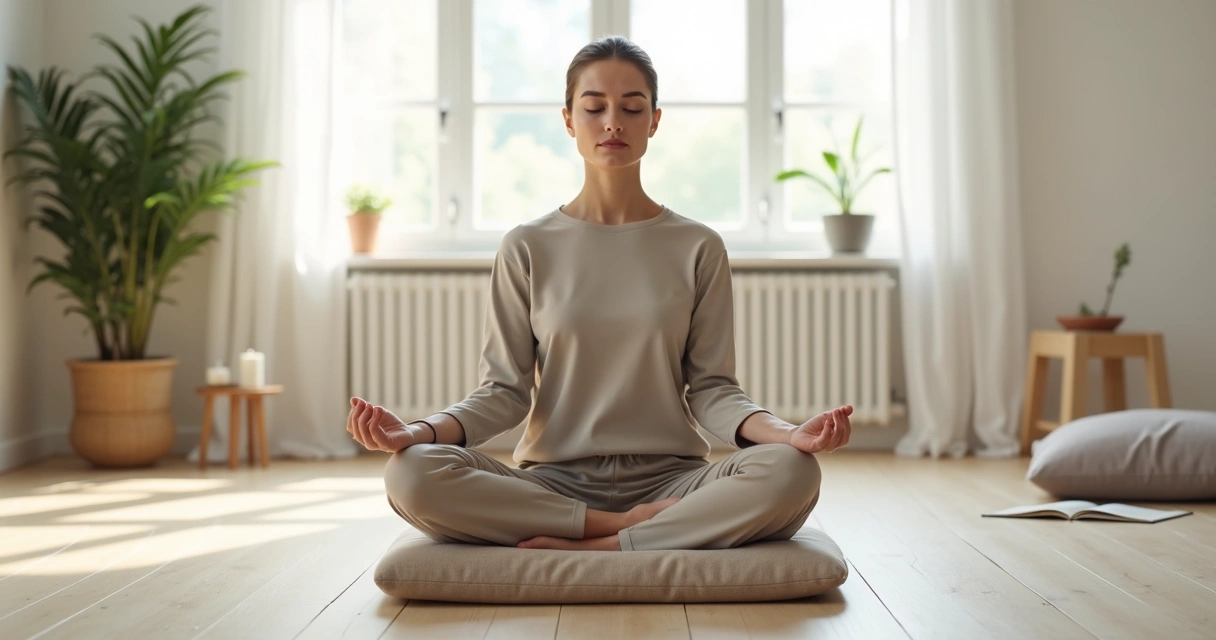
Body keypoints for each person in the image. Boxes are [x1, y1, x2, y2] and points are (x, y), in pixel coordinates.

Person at [345, 36, 852, 552]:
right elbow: (503, 392)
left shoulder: (699, 246)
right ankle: (613, 529)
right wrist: (418, 433)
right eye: (594, 107)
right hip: (552, 483)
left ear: (654, 121)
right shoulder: (526, 246)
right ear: (568, 119)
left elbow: (713, 389)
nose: (613, 122)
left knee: (791, 471)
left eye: (632, 108)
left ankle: (599, 548)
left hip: (672, 482)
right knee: (411, 473)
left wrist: (789, 434)